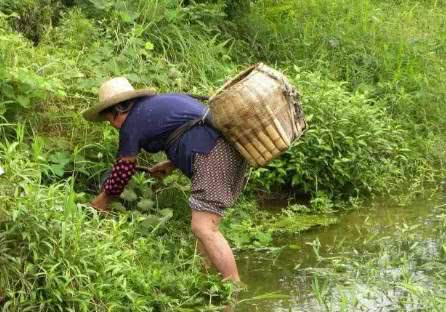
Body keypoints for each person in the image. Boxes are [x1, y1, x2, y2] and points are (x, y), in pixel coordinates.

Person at [82, 77, 247, 282]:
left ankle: (233, 291)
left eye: (109, 121)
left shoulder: (131, 123)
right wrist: (171, 164)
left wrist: (102, 201)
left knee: (203, 227)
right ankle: (206, 282)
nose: (113, 126)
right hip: (230, 150)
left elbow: (123, 171)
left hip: (213, 154)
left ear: (116, 112)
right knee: (206, 227)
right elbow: (189, 129)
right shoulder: (156, 105)